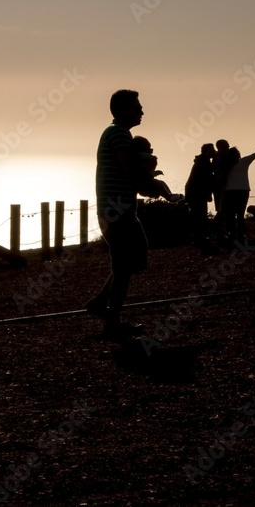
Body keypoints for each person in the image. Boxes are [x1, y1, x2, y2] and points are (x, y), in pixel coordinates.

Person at [86, 89, 160, 341]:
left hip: (119, 210)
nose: (141, 111)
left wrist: (149, 185)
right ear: (122, 110)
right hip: (116, 212)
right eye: (137, 106)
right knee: (126, 263)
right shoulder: (118, 133)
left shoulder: (119, 133)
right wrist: (153, 186)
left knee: (130, 260)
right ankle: (112, 322)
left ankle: (100, 302)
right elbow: (128, 169)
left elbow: (129, 173)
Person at [222, 140, 255, 241]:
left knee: (230, 214)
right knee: (240, 214)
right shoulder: (244, 161)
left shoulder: (226, 165)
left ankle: (231, 233)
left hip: (229, 191)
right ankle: (240, 234)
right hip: (243, 190)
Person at [131, 136, 183, 201]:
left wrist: (155, 173)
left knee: (161, 183)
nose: (150, 150)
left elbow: (147, 172)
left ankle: (170, 195)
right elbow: (148, 160)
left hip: (146, 183)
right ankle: (168, 196)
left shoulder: (140, 156)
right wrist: (153, 158)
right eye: (148, 148)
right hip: (143, 184)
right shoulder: (140, 154)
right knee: (158, 183)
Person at [185, 143, 216, 247]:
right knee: (199, 215)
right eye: (212, 150)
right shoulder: (204, 163)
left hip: (194, 193)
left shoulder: (202, 161)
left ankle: (197, 237)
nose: (214, 152)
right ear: (207, 151)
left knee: (198, 215)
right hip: (197, 193)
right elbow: (206, 180)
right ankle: (198, 238)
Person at [212, 139, 236, 238]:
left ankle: (223, 231)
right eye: (226, 145)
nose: (228, 147)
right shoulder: (218, 157)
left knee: (226, 210)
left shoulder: (221, 156)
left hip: (224, 186)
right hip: (220, 186)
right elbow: (218, 172)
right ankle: (218, 231)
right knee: (222, 210)